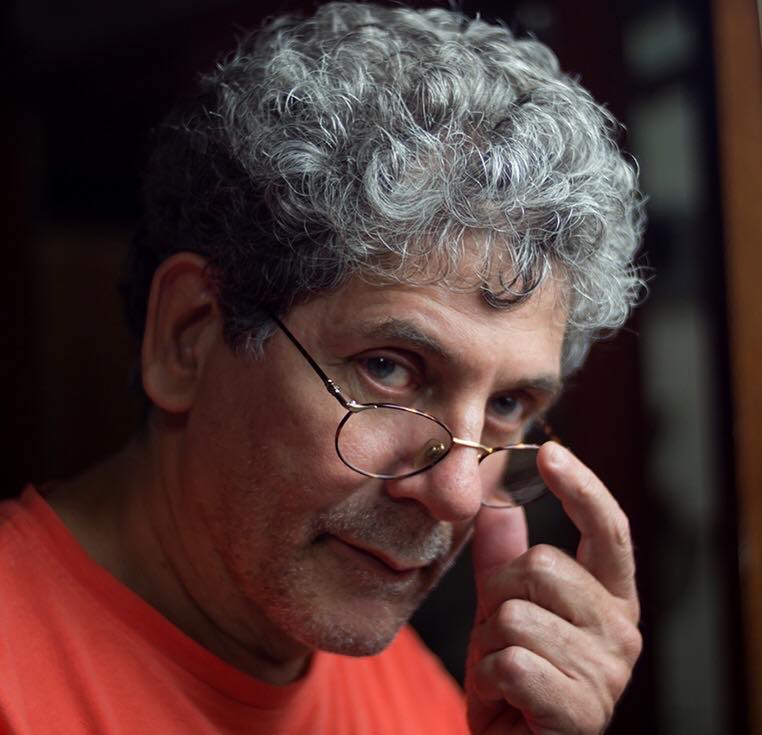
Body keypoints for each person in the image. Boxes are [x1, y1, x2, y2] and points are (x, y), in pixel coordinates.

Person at [0, 3, 645, 733]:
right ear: (188, 338)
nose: (459, 494)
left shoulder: (432, 706)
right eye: (389, 369)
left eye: (506, 406)